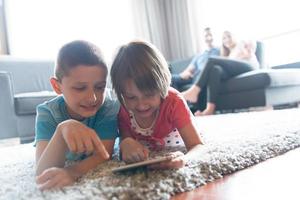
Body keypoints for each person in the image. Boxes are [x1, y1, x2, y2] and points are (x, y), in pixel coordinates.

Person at [34, 40, 119, 190]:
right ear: (57, 86)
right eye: (80, 88)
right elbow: (42, 172)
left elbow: (103, 155)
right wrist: (62, 130)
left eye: (100, 87)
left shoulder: (107, 108)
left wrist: (72, 172)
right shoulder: (48, 113)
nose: (92, 98)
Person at [110, 40, 204, 169]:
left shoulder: (174, 101)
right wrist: (125, 144)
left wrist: (184, 159)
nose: (141, 105)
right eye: (131, 97)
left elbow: (197, 145)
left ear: (162, 86)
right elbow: (125, 142)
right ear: (121, 93)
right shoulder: (123, 108)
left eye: (149, 95)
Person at [182, 31, 259, 116]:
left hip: (250, 65)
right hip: (237, 69)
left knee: (211, 60)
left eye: (229, 36)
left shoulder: (241, 43)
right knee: (215, 70)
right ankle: (209, 109)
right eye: (224, 38)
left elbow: (250, 50)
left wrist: (246, 51)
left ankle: (194, 91)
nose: (227, 40)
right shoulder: (229, 54)